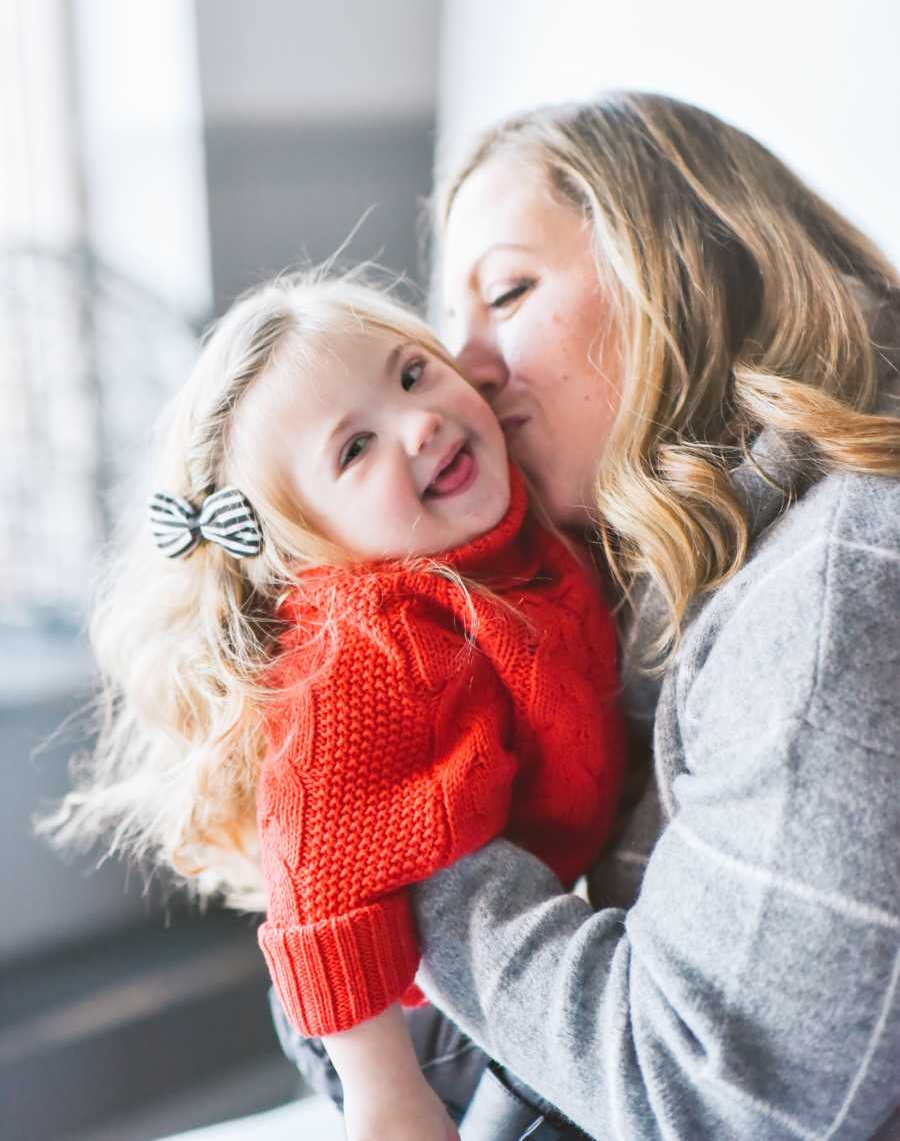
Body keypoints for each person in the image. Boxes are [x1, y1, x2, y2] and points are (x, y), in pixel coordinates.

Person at [278, 91, 900, 1139]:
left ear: (688, 262)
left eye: (508, 291)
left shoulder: (835, 584)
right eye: (449, 327)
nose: (465, 370)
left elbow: (711, 1096)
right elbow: (437, 1063)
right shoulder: (643, 575)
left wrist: (393, 815)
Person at [37, 270, 625, 1141]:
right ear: (314, 549)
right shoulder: (370, 649)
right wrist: (386, 1094)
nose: (419, 422)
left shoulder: (511, 522)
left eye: (413, 373)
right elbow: (318, 883)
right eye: (355, 449)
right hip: (391, 1013)